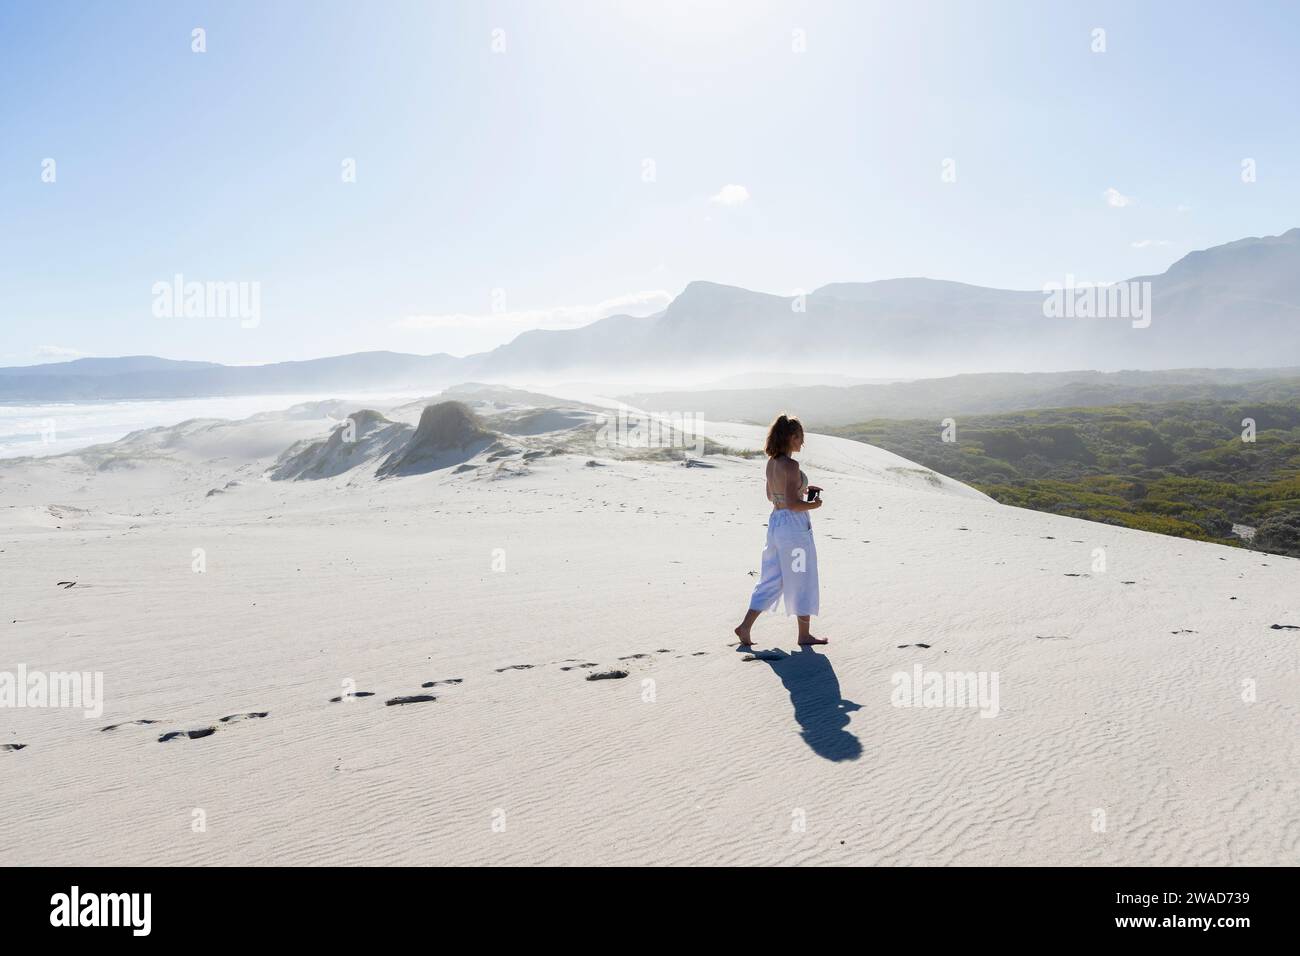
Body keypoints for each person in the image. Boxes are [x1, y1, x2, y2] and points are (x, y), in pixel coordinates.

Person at [734, 413, 826, 647]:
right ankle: (804, 635)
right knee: (802, 576)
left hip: (776, 523)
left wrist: (801, 490)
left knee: (772, 577)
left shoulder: (772, 463)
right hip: (794, 527)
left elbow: (771, 496)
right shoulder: (791, 465)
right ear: (790, 437)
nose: (802, 443)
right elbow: (794, 505)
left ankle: (745, 626)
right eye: (800, 438)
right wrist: (813, 504)